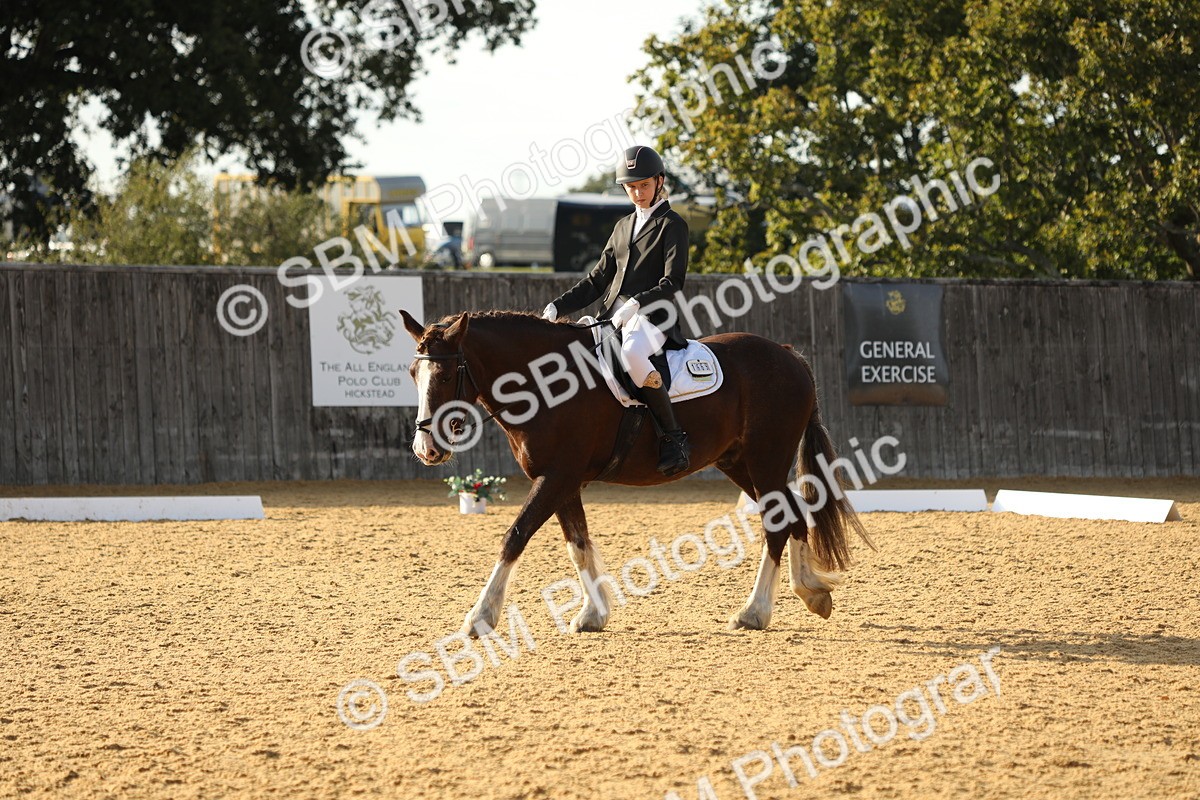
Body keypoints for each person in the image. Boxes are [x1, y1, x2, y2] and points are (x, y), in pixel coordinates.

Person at [542, 145, 691, 476]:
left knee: (633, 354)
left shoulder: (672, 224)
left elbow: (673, 281)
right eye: (631, 187)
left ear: (659, 181)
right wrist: (558, 305)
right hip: (612, 315)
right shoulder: (623, 225)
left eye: (644, 185)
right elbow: (597, 280)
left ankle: (674, 437)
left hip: (654, 317)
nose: (638, 193)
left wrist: (637, 302)